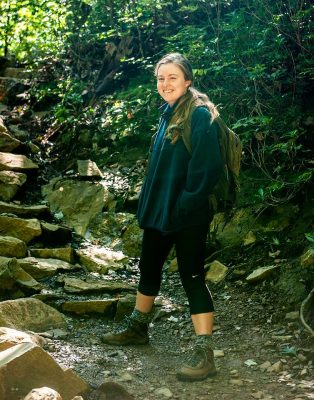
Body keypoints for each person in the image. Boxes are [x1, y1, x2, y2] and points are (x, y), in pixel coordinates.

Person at [102, 52, 223, 382]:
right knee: (149, 265)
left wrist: (186, 204)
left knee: (192, 276)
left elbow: (207, 168)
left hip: (187, 215)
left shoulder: (200, 115)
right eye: (160, 78)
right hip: (160, 212)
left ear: (187, 80)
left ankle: (205, 353)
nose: (165, 83)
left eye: (172, 77)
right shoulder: (168, 113)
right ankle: (139, 327)